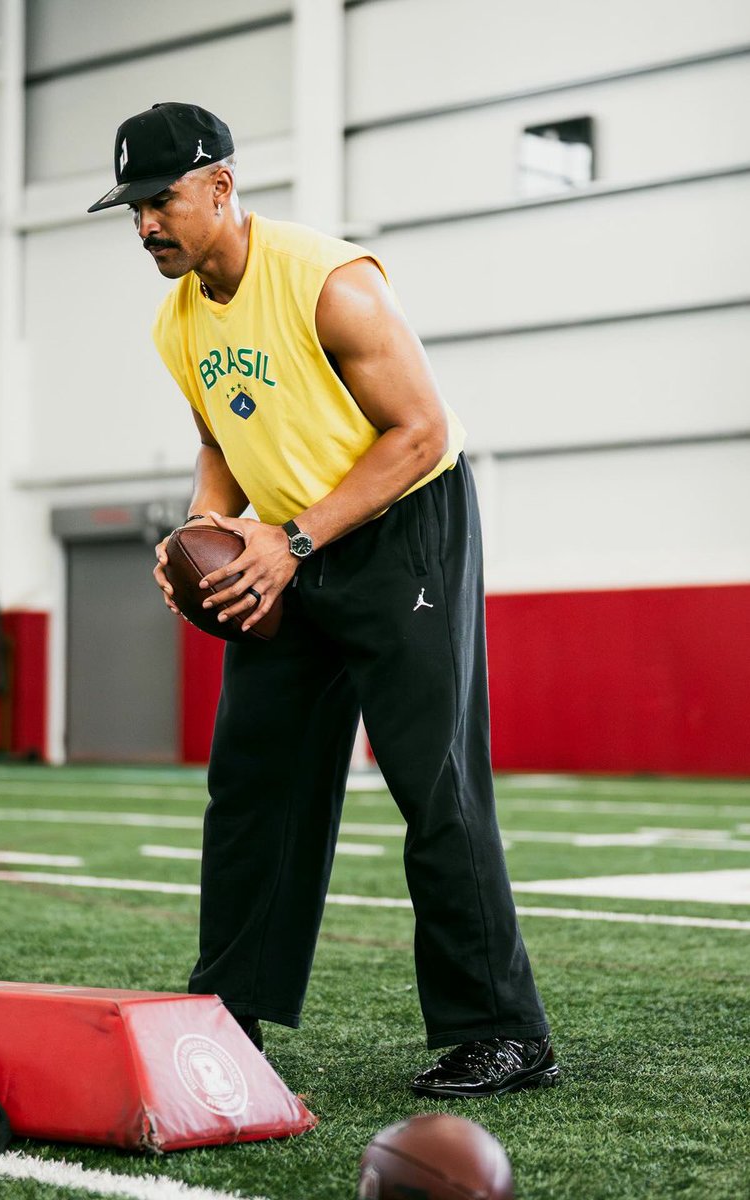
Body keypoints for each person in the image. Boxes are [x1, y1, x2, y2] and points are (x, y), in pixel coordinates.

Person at [88, 102, 559, 1098]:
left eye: (160, 201)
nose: (145, 227)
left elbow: (421, 432)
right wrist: (199, 538)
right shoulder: (176, 325)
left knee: (434, 779)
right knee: (253, 778)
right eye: (131, 210)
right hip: (286, 546)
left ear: (219, 185)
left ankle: (505, 1031)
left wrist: (294, 538)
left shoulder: (329, 283)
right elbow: (223, 441)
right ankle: (230, 1011)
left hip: (401, 529)